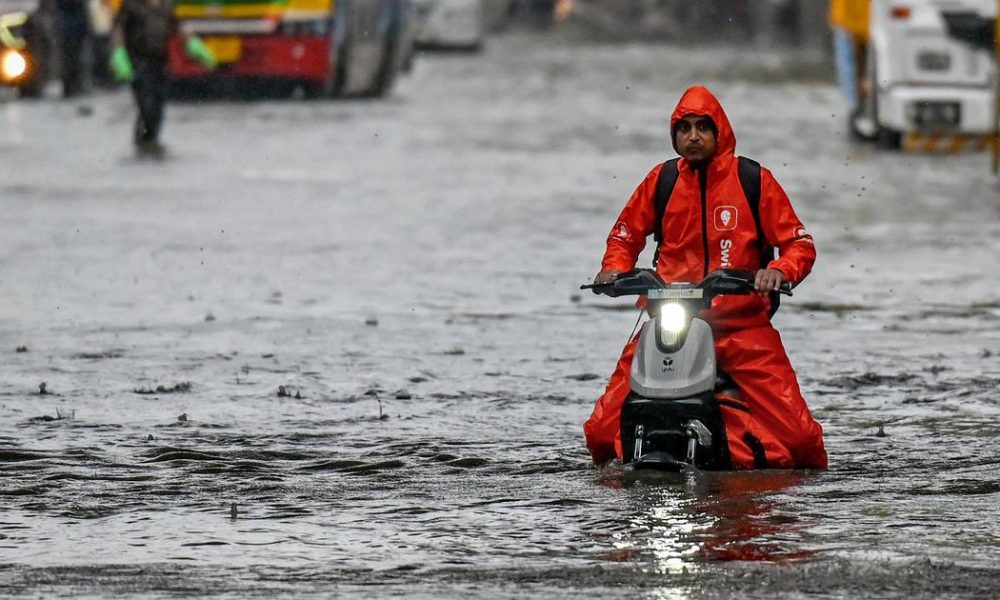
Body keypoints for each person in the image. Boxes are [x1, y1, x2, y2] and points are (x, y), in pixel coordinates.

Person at [583, 85, 828, 470]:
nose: (693, 136)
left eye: (702, 127)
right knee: (599, 434)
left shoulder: (753, 180)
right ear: (674, 135)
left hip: (742, 330)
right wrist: (613, 268)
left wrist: (777, 271)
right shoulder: (661, 180)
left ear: (720, 133)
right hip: (668, 326)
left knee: (802, 442)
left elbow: (800, 245)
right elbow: (625, 233)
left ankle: (788, 502)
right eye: (684, 128)